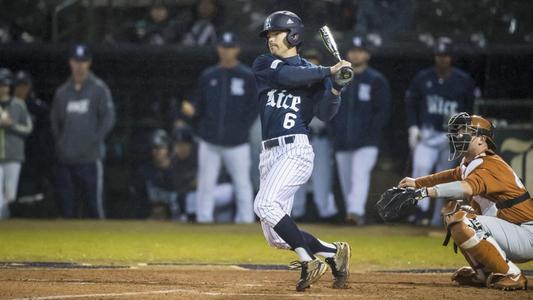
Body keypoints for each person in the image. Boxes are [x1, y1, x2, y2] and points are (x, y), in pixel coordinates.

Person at [252, 11, 352, 291]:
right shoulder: (265, 63)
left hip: (295, 150)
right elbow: (289, 75)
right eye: (269, 34)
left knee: (263, 205)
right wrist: (328, 72)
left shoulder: (315, 74)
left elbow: (326, 114)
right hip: (268, 154)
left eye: (276, 33)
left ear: (293, 35)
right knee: (276, 237)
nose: (270, 38)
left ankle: (308, 260)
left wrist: (336, 89)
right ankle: (333, 252)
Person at [398, 112, 532, 291]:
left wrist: (424, 192)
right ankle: (482, 272)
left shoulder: (490, 164)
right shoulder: (470, 163)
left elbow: (466, 188)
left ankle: (513, 275)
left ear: (481, 140)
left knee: (463, 220)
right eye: (457, 131)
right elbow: (448, 176)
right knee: (453, 213)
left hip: (526, 233)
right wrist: (417, 183)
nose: (457, 136)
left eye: (464, 131)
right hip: (512, 230)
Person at [405, 39, 478, 226]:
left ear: (451, 57)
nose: (441, 59)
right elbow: (411, 103)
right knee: (420, 168)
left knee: (445, 176)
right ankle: (420, 212)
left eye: (445, 55)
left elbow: (473, 107)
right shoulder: (424, 77)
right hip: (428, 133)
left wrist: (465, 126)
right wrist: (413, 126)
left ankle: (439, 216)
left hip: (451, 137)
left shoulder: (463, 80)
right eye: (439, 55)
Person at [186, 32, 256, 224]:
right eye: (224, 47)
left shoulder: (247, 76)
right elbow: (198, 104)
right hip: (210, 140)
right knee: (206, 183)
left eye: (231, 47)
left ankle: (245, 221)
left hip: (237, 142)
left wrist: (242, 128)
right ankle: (204, 219)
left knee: (242, 184)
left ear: (237, 49)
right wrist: (192, 109)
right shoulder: (209, 76)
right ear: (218, 49)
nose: (227, 51)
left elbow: (254, 107)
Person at [330, 36, 391, 225]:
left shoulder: (375, 80)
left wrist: (370, 133)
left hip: (366, 142)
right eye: (353, 51)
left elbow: (383, 110)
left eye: (360, 51)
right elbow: (330, 106)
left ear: (367, 54)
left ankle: (355, 213)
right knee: (347, 180)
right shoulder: (339, 77)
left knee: (359, 175)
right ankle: (353, 214)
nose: (356, 54)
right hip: (342, 141)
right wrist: (335, 132)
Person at [51, 44, 115, 219]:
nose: (79, 66)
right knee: (67, 208)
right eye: (76, 61)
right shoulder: (62, 92)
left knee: (95, 207)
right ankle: (67, 247)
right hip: (66, 158)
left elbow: (108, 119)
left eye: (83, 61)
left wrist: (94, 140)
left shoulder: (99, 89)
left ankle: (100, 245)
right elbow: (55, 122)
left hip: (90, 159)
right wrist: (62, 144)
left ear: (89, 63)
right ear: (70, 62)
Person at [292, 49, 338, 221]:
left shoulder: (328, 84)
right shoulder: (294, 85)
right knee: (297, 179)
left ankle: (325, 214)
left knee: (322, 179)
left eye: (315, 64)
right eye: (308, 64)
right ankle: (296, 213)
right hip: (300, 137)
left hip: (321, 137)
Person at [13, 70, 53, 204]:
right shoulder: (7, 107)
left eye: (24, 85)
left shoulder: (39, 108)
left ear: (30, 86)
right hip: (12, 156)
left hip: (34, 158)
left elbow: (46, 136)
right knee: (11, 196)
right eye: (18, 85)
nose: (21, 89)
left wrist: (45, 161)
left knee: (32, 197)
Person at [0, 68, 32, 218]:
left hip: (13, 155)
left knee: (10, 194)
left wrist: (11, 125)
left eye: (5, 85)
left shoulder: (18, 104)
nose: (2, 88)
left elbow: (28, 128)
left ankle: (6, 222)